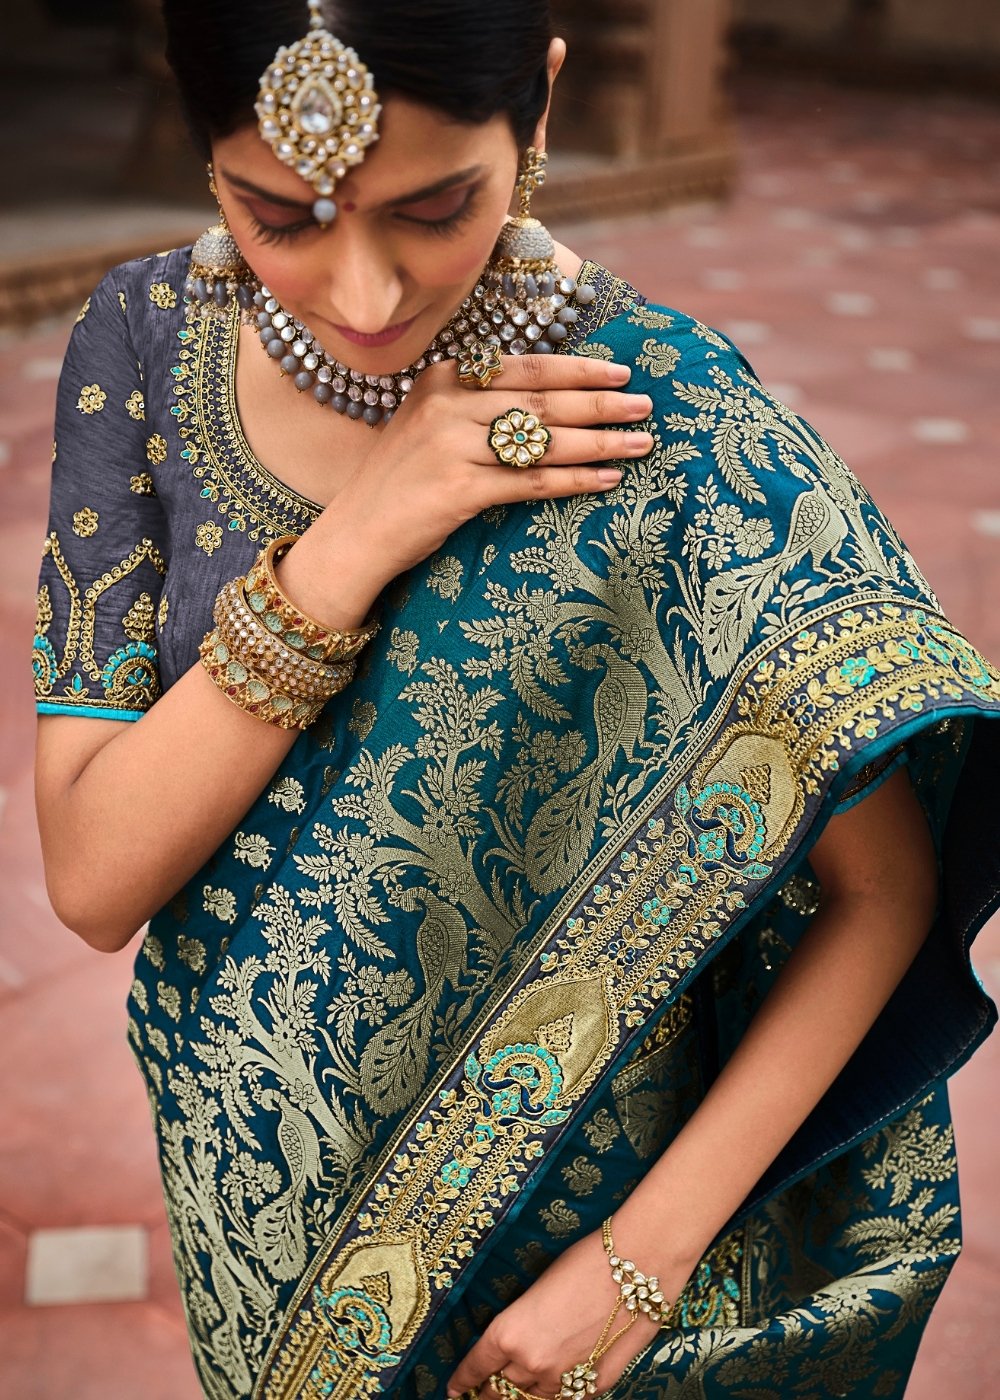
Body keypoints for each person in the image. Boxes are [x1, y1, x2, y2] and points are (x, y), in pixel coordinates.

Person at [31, 2, 1000, 1397]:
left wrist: (635, 1266)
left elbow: (881, 893)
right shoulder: (139, 345)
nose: (364, 295)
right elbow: (95, 874)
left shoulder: (656, 411)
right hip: (258, 1243)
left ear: (537, 109)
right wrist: (360, 536)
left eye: (435, 207)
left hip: (583, 1278)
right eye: (278, 215)